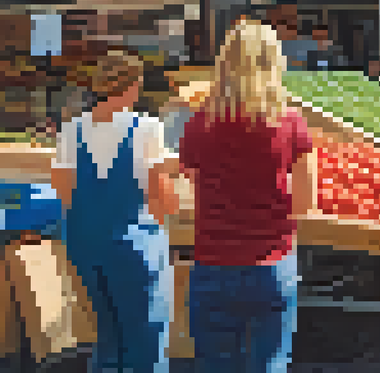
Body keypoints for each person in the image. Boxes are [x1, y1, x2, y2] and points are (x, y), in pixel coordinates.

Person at [178, 20, 317, 372]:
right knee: (269, 363)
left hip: (213, 263)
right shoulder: (291, 124)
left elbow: (194, 189)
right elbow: (305, 202)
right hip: (272, 262)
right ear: (275, 63)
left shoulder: (198, 125)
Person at [53, 49, 177, 373]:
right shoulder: (147, 128)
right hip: (135, 247)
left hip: (85, 244)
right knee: (146, 342)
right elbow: (160, 196)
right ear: (134, 86)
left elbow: (64, 192)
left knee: (107, 339)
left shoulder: (72, 130)